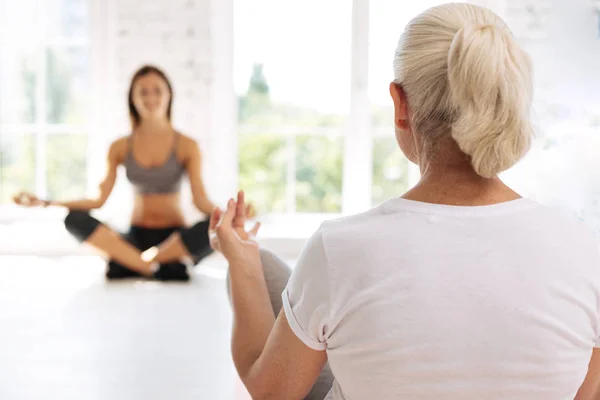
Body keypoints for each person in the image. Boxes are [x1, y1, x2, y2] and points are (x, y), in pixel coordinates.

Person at [209, 4, 600, 400]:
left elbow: (272, 392)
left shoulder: (339, 248)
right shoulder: (587, 252)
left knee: (263, 269)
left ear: (401, 105)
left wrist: (241, 264)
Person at [13, 65, 239, 281]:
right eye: (143, 92)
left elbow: (200, 201)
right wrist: (46, 203)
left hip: (175, 239)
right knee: (74, 219)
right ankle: (155, 265)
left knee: (215, 225)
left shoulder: (187, 145)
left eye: (157, 90)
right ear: (132, 98)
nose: (150, 98)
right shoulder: (120, 147)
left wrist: (230, 215)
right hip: (135, 236)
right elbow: (98, 200)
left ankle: (138, 263)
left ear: (169, 94)